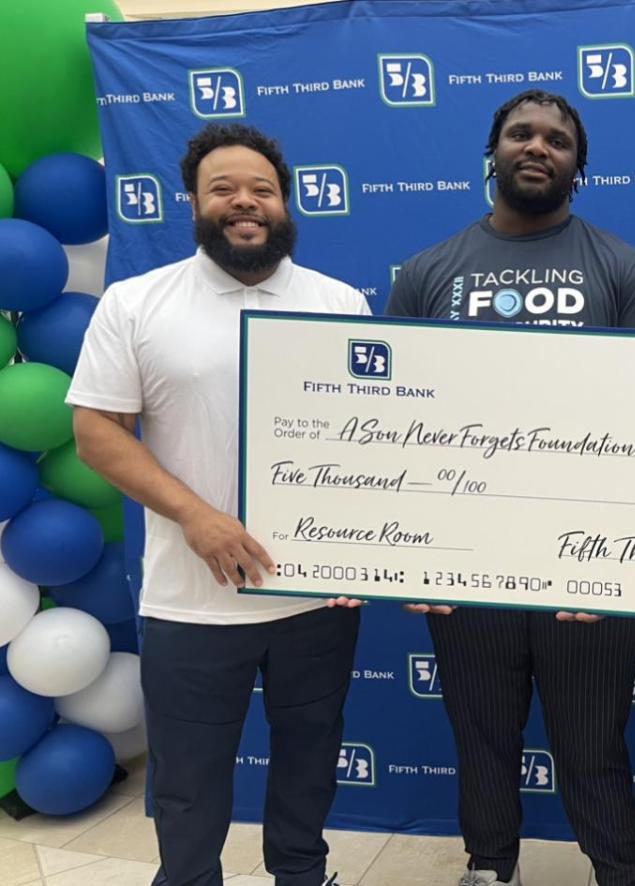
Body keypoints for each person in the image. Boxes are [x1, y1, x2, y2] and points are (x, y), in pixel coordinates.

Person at [69, 123, 367, 886]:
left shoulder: (340, 303)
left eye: (262, 190)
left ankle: (303, 874)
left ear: (286, 204)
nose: (245, 202)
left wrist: (369, 547)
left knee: (309, 767)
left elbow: (369, 446)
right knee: (189, 786)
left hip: (315, 603)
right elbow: (98, 433)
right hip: (192, 605)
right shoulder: (137, 302)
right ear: (194, 204)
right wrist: (196, 516)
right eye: (224, 189)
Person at [384, 89, 635, 886]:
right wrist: (412, 555)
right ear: (494, 152)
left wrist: (627, 565)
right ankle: (490, 868)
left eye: (557, 139)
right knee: (481, 737)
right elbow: (389, 422)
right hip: (467, 563)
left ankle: (618, 872)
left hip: (589, 566)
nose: (537, 146)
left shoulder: (621, 268)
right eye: (521, 133)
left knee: (591, 745)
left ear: (580, 166)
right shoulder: (431, 273)